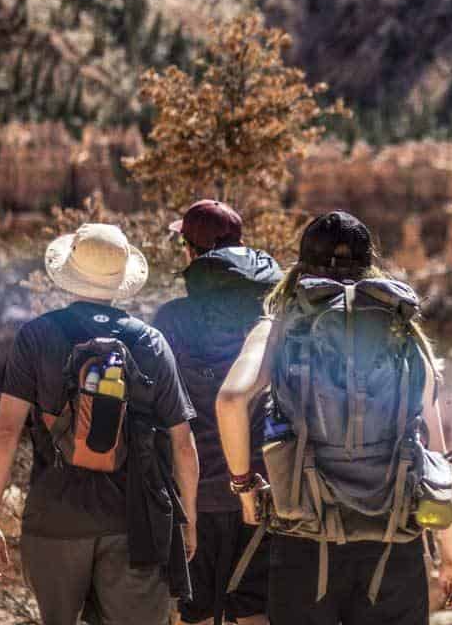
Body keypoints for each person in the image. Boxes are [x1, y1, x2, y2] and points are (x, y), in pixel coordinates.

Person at [216, 211, 452, 625]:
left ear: (301, 265)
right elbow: (436, 454)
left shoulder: (279, 325)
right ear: (370, 264)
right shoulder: (401, 330)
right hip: (393, 540)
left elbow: (230, 400)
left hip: (305, 536)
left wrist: (245, 490)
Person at [0, 223, 200, 625]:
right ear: (122, 280)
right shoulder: (150, 342)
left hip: (54, 520)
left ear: (70, 275)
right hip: (135, 527)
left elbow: (5, 433)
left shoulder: (36, 336)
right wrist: (191, 521)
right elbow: (183, 444)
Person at [154, 200, 283, 625]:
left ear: (192, 254)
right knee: (255, 609)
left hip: (195, 496)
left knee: (196, 612)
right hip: (261, 489)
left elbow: (159, 414)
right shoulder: (268, 317)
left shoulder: (170, 320)